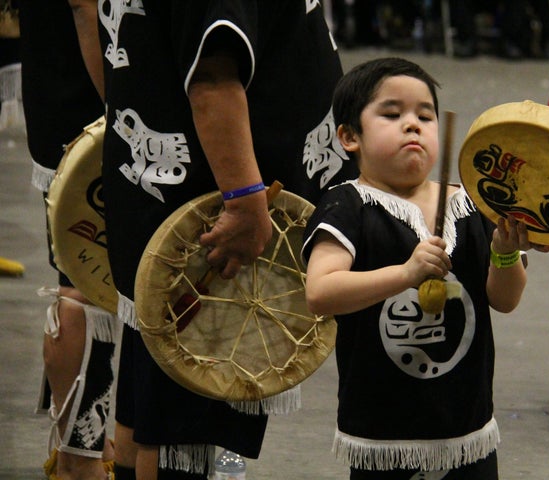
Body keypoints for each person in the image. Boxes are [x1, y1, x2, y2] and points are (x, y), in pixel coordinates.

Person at [97, 1, 359, 479]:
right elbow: (213, 79)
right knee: (181, 433)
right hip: (209, 223)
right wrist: (242, 201)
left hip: (161, 196)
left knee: (149, 417)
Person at [301, 57, 548, 479]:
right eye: (392, 114)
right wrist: (407, 274)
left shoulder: (473, 204)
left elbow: (504, 299)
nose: (412, 125)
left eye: (425, 115)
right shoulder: (347, 205)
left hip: (465, 426)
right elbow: (320, 293)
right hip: (383, 434)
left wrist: (504, 253)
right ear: (348, 136)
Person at [17, 2, 117, 479]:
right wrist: (121, 111)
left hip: (68, 80)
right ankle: (81, 456)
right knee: (85, 282)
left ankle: (99, 447)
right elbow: (84, 6)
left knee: (103, 282)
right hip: (91, 94)